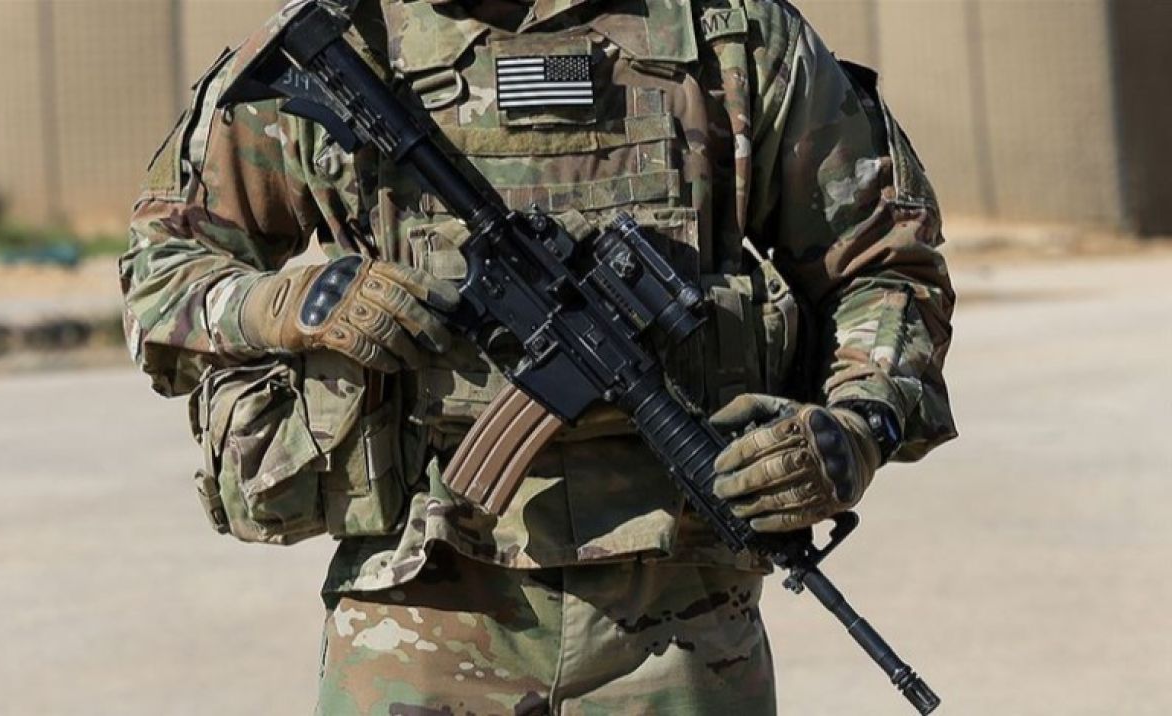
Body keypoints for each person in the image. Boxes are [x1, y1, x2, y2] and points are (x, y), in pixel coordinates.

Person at [120, 0, 956, 711]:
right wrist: (287, 305)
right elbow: (162, 269)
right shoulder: (350, 40)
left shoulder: (729, 36)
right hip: (413, 621)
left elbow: (886, 267)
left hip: (685, 628)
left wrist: (860, 424)